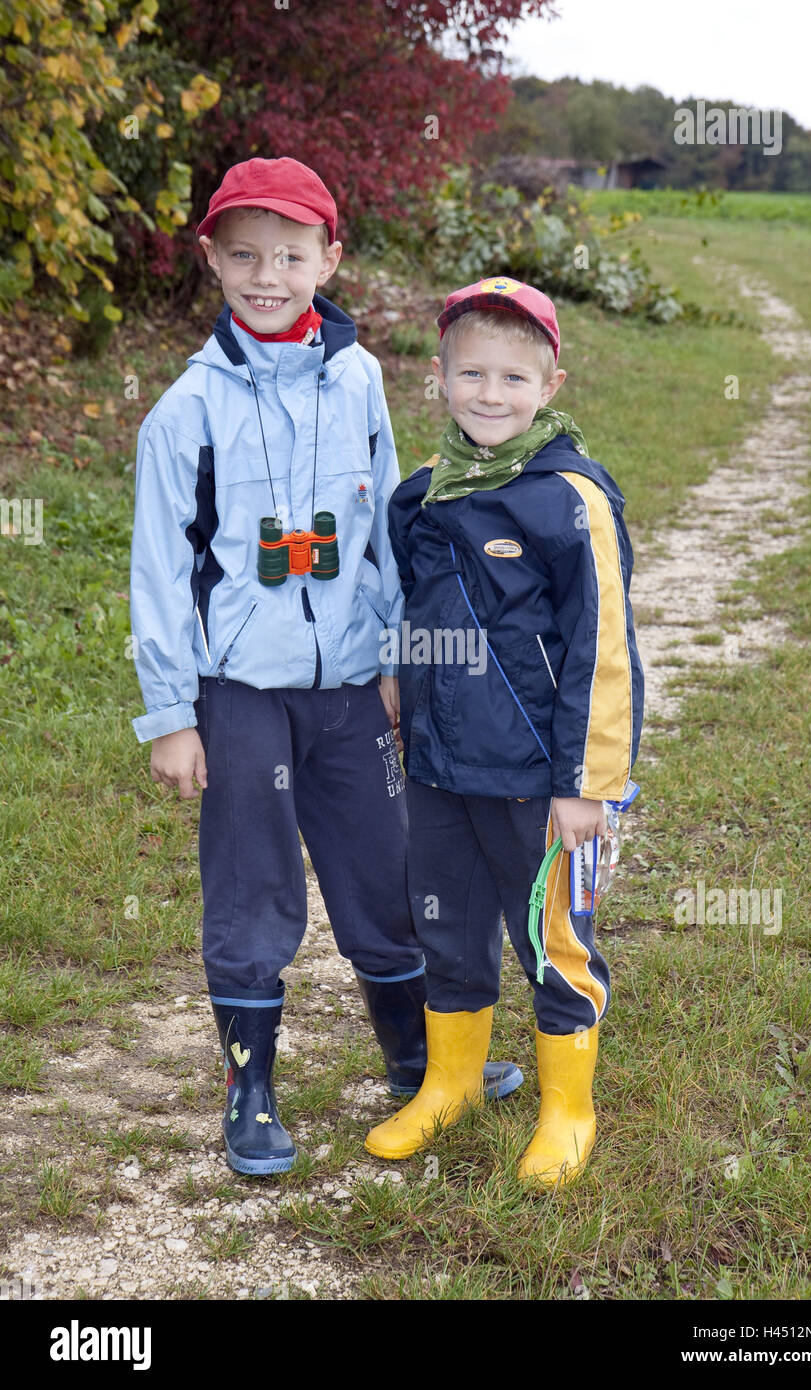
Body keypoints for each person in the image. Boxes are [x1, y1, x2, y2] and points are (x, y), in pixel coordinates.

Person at [128, 161, 520, 1177]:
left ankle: (412, 1052)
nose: (268, 275)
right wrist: (174, 713)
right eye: (245, 255)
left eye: (291, 255)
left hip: (350, 686)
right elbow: (161, 575)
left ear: (328, 259)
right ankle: (249, 1084)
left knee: (383, 864)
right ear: (211, 258)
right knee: (253, 886)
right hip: (241, 695)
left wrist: (395, 655)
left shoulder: (358, 379)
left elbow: (390, 519)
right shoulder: (184, 411)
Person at [364, 276, 643, 1185]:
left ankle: (568, 1103)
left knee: (551, 936)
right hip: (440, 766)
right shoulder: (421, 496)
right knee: (446, 922)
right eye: (471, 373)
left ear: (550, 386)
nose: (491, 394)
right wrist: (399, 681)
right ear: (439, 379)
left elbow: (604, 651)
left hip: (538, 779)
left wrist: (585, 784)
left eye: (513, 379)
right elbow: (413, 605)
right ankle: (451, 1081)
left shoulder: (570, 500)